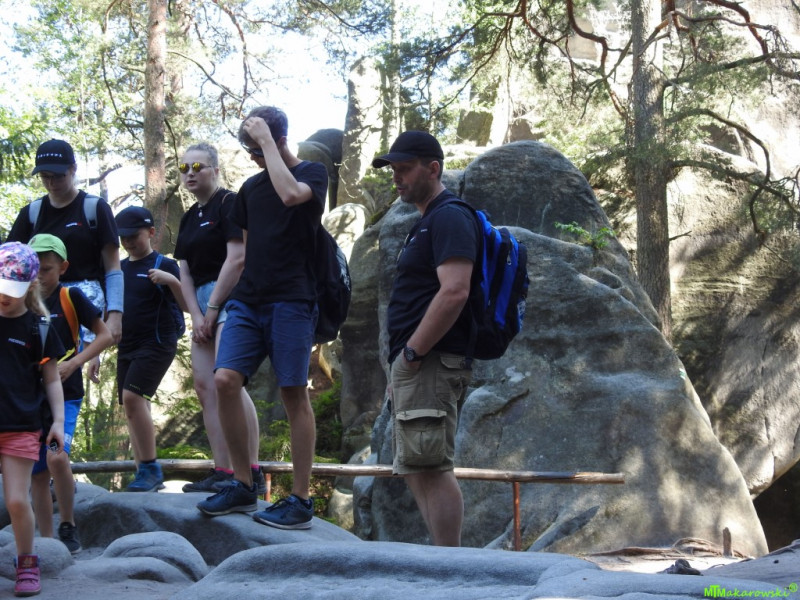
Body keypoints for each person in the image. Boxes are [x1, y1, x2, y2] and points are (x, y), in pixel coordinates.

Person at [196, 106, 327, 530]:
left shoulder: (312, 173)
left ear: (278, 140)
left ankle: (301, 499)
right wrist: (215, 306)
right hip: (249, 300)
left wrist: (267, 143)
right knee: (224, 380)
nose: (253, 158)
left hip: (293, 299)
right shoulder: (250, 189)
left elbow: (290, 195)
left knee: (293, 393)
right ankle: (242, 483)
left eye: (256, 149)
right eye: (249, 151)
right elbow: (242, 253)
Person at [371, 131, 478, 547]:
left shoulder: (450, 216)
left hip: (431, 359)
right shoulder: (429, 220)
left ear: (433, 169)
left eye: (404, 169)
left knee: (432, 466)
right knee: (417, 465)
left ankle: (451, 565)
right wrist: (402, 365)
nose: (396, 178)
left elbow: (455, 291)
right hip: (417, 362)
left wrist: (413, 354)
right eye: (393, 170)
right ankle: (443, 560)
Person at [173, 143, 262, 494]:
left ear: (215, 169)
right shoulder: (188, 217)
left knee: (229, 381)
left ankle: (250, 469)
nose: (190, 173)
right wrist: (196, 314)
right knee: (205, 386)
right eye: (184, 168)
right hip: (200, 302)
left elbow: (237, 258)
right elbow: (183, 269)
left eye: (197, 166)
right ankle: (223, 468)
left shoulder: (229, 203)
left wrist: (211, 310)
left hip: (233, 297)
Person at [28, 234, 113, 555]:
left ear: (62, 268)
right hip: (29, 398)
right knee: (37, 471)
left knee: (56, 455)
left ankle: (67, 523)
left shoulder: (71, 296)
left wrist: (75, 363)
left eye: (47, 269)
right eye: (34, 268)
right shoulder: (18, 300)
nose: (39, 275)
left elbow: (105, 335)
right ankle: (48, 541)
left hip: (66, 393)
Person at [7, 139, 124, 351]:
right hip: (39, 299)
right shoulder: (31, 213)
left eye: (58, 175)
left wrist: (115, 314)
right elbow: (11, 265)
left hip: (83, 302)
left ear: (73, 169)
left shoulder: (94, 208)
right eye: (45, 176)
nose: (52, 183)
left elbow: (113, 268)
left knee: (73, 362)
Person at [0, 241, 65, 596]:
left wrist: (58, 422)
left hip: (21, 425)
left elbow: (52, 380)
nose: (3, 296)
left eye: (11, 290)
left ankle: (27, 562)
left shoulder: (38, 328)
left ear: (29, 286)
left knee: (15, 499)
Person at [115, 206, 187, 492]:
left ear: (151, 232)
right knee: (133, 405)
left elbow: (187, 306)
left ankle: (150, 469)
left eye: (134, 236)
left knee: (132, 397)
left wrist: (173, 281)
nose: (128, 242)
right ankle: (142, 473)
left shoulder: (164, 264)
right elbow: (110, 312)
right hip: (126, 345)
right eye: (123, 237)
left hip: (157, 342)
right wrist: (94, 355)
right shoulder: (119, 268)